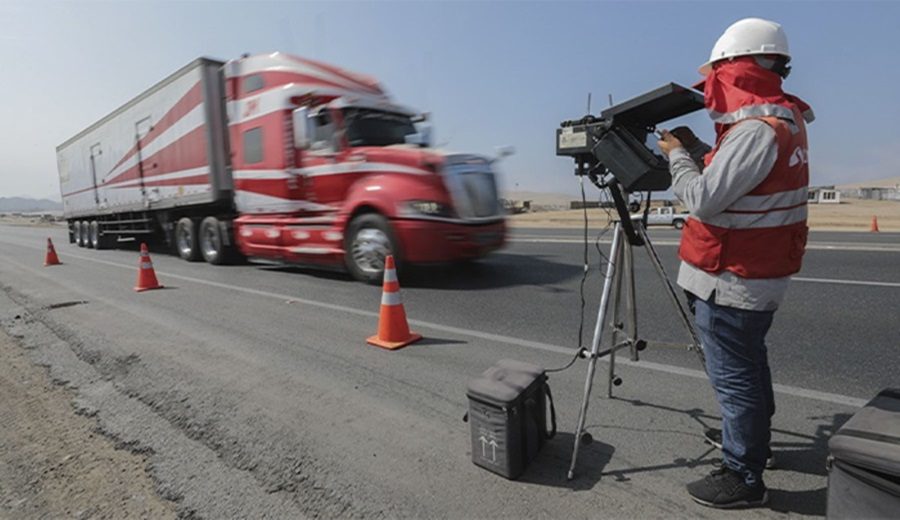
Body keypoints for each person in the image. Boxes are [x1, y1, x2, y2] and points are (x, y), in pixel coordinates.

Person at [656, 17, 814, 508]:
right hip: (752, 273)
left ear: (736, 71)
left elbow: (703, 199)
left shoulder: (754, 130)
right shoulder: (781, 119)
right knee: (748, 363)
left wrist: (678, 157)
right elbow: (743, 183)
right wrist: (705, 152)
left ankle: (743, 474)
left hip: (733, 279)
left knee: (735, 376)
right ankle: (754, 448)